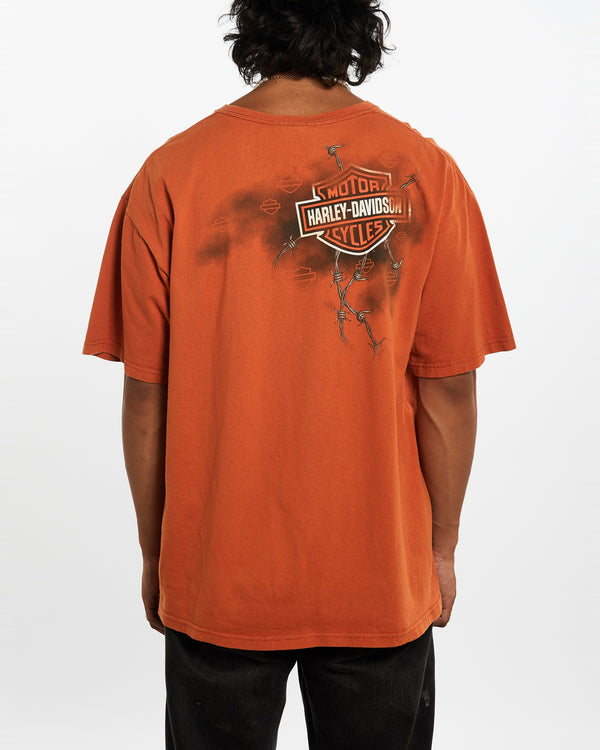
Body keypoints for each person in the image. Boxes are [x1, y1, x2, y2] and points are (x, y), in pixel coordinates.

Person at [82, 1, 515, 747]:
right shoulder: (424, 172)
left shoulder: (171, 173)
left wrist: (157, 555)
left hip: (218, 574)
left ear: (251, 26)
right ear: (359, 29)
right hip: (379, 578)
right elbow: (448, 388)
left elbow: (147, 396)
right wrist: (439, 550)